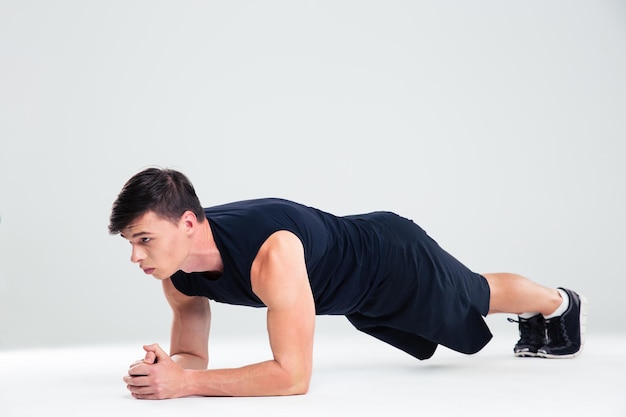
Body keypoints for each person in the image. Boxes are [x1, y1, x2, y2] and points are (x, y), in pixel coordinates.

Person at [109, 167, 588, 400]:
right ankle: (541, 310)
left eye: (145, 239)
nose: (137, 256)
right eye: (131, 242)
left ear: (188, 223)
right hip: (354, 291)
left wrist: (185, 385)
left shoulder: (272, 254)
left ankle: (558, 304)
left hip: (392, 257)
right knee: (470, 295)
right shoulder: (177, 276)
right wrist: (169, 368)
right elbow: (193, 357)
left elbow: (293, 378)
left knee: (477, 295)